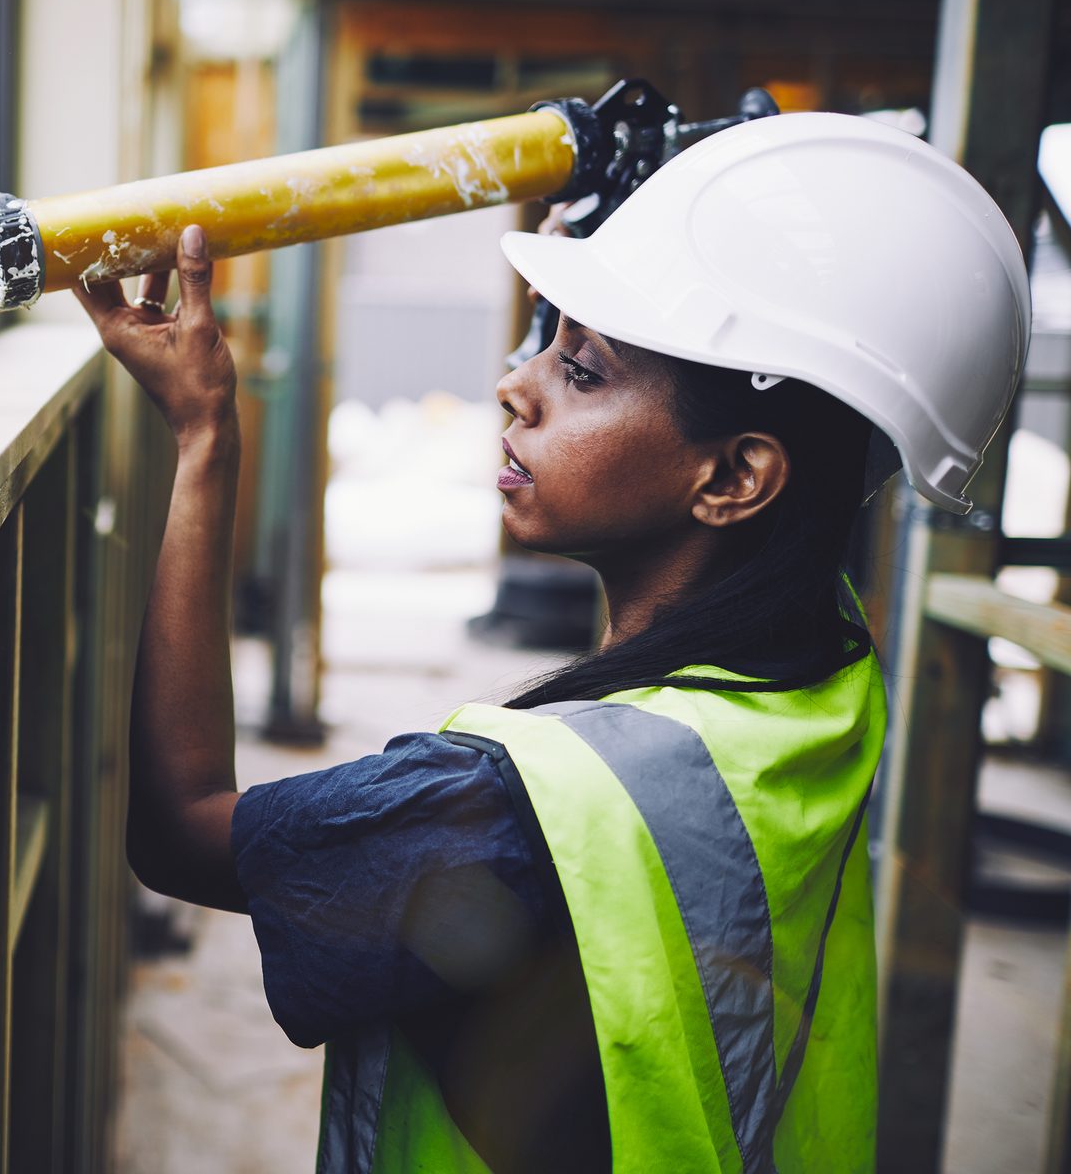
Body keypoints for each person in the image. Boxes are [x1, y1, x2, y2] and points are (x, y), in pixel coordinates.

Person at [70, 112, 1030, 1173]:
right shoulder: (820, 677)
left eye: (583, 371)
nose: (513, 386)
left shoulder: (517, 810)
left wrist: (205, 435)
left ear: (733, 477)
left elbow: (179, 827)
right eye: (548, 340)